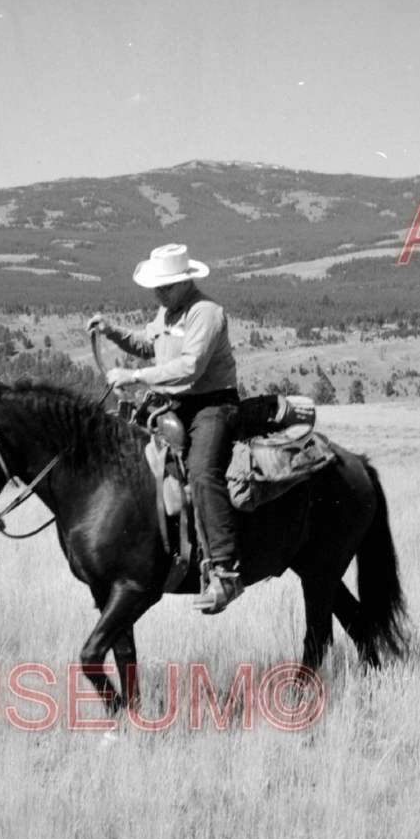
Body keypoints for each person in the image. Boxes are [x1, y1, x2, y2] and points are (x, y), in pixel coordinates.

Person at [88, 243, 243, 614]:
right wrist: (113, 332)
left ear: (185, 281)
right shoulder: (166, 311)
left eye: (166, 285)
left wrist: (135, 376)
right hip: (173, 405)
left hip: (212, 405)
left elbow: (190, 368)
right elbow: (148, 345)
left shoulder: (205, 312)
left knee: (203, 473)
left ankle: (225, 571)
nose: (159, 292)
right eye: (157, 286)